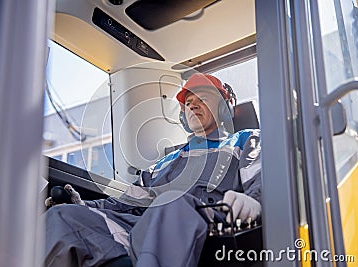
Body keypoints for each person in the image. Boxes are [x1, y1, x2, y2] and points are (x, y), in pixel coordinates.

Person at [44, 73, 262, 267]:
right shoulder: (164, 162)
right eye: (188, 102)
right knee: (63, 216)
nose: (193, 106)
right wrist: (84, 205)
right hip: (147, 226)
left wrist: (255, 201)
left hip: (209, 224)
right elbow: (128, 200)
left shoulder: (243, 140)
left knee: (173, 201)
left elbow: (260, 176)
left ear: (224, 108)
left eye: (203, 99)